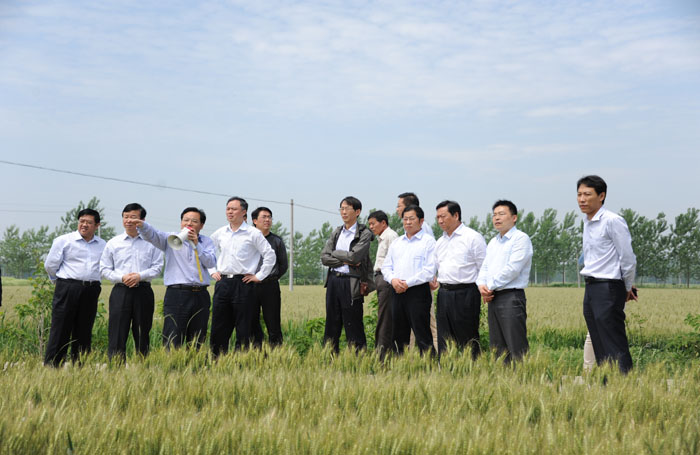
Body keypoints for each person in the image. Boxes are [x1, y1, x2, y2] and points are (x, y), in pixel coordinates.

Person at [577, 175, 637, 374]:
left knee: (613, 341)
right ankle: (607, 382)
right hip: (591, 287)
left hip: (608, 287)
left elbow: (627, 258)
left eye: (587, 194)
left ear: (601, 196)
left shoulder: (612, 221)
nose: (582, 199)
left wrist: (626, 287)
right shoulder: (587, 222)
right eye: (579, 194)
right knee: (599, 341)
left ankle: (624, 383)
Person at [136, 207, 216, 349]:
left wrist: (197, 245)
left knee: (197, 338)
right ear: (181, 223)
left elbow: (210, 262)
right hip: (177, 294)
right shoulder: (170, 238)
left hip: (201, 295)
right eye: (186, 220)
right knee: (172, 336)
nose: (189, 223)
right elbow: (152, 235)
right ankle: (172, 363)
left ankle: (195, 363)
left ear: (201, 225)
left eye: (194, 221)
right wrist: (142, 225)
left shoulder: (206, 242)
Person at [209, 197, 275, 356]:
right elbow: (207, 251)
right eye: (228, 209)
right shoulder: (220, 233)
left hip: (244, 283)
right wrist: (212, 270)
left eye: (234, 209)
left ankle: (243, 360)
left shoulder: (253, 233)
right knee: (219, 325)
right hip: (223, 282)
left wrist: (259, 276)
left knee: (245, 326)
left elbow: (270, 255)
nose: (230, 212)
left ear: (243, 212)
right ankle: (217, 359)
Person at [100, 203, 163, 361]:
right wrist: (122, 278)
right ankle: (116, 367)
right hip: (120, 291)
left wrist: (139, 276)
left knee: (142, 332)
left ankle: (142, 366)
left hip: (143, 291)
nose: (128, 220)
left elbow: (157, 267)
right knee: (117, 332)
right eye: (125, 217)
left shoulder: (152, 242)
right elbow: (104, 269)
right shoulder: (113, 243)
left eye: (133, 217)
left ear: (142, 220)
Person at [44, 208, 106, 367]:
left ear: (97, 225)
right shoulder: (64, 241)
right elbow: (50, 265)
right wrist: (59, 283)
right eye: (82, 221)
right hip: (67, 288)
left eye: (89, 222)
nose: (84, 225)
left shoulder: (102, 245)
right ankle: (52, 368)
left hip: (91, 290)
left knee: (84, 330)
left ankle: (80, 368)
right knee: (60, 329)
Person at [477, 200, 533, 363]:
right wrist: (481, 285)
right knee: (498, 347)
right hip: (493, 298)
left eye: (501, 214)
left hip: (511, 297)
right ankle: (503, 377)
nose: (496, 218)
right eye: (494, 215)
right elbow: (485, 267)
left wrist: (489, 286)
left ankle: (522, 376)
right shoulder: (493, 242)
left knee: (516, 345)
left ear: (514, 217)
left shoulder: (520, 239)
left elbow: (513, 269)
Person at [432, 200, 486, 359]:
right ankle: (446, 368)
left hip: (466, 293)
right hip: (444, 293)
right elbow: (435, 268)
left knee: (467, 337)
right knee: (444, 338)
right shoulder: (440, 242)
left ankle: (473, 367)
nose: (440, 221)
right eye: (437, 217)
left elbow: (484, 267)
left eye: (443, 216)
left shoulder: (472, 237)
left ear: (456, 215)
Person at [320, 196, 374, 352]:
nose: (343, 212)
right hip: (333, 280)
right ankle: (330, 357)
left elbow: (355, 257)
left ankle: (358, 359)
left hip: (351, 282)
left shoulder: (364, 233)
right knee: (332, 322)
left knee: (353, 323)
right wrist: (344, 260)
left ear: (357, 212)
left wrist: (336, 253)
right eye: (341, 209)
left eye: (347, 209)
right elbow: (324, 257)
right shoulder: (337, 232)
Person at [382, 205, 437, 355]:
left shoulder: (428, 242)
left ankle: (429, 366)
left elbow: (429, 271)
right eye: (405, 219)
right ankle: (400, 365)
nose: (407, 222)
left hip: (418, 293)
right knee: (398, 336)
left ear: (421, 221)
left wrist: (407, 283)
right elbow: (386, 267)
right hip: (397, 292)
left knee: (422, 334)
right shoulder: (397, 243)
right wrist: (393, 280)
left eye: (411, 219)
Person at [396, 192, 438, 350]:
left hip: (420, 286)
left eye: (399, 206)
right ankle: (413, 359)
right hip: (406, 287)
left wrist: (431, 277)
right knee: (411, 328)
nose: (397, 209)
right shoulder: (404, 235)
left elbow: (429, 258)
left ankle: (434, 357)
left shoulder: (423, 229)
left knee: (427, 325)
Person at [250, 206, 288, 348]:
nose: (267, 220)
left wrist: (270, 277)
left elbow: (283, 265)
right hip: (250, 285)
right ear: (255, 221)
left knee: (273, 322)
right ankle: (255, 352)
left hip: (270, 286)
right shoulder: (248, 239)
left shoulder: (277, 241)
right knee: (251, 321)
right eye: (264, 217)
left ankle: (276, 352)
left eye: (269, 217)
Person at [367, 210, 398, 357]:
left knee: (385, 318)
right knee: (384, 316)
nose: (371, 227)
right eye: (369, 224)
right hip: (381, 278)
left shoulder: (390, 236)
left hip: (387, 279)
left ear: (383, 223)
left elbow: (396, 260)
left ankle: (383, 354)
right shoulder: (382, 238)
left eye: (373, 224)